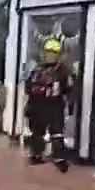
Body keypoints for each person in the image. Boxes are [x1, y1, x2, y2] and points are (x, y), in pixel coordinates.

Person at [25, 38, 73, 171]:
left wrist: (70, 104)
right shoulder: (37, 70)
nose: (50, 56)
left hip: (54, 105)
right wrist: (29, 105)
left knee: (57, 132)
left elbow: (69, 89)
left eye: (53, 53)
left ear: (58, 55)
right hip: (37, 105)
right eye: (48, 53)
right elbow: (28, 87)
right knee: (37, 131)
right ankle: (36, 154)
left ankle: (59, 158)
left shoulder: (63, 71)